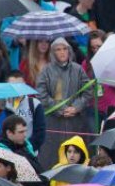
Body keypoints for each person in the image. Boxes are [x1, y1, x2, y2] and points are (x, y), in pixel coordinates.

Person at [35, 38, 92, 168]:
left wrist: (76, 107)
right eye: (58, 49)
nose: (62, 52)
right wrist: (60, 109)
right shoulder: (46, 71)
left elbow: (88, 91)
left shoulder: (78, 70)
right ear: (53, 52)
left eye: (65, 49)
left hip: (75, 121)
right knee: (53, 157)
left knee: (75, 154)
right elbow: (41, 94)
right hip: (53, 122)